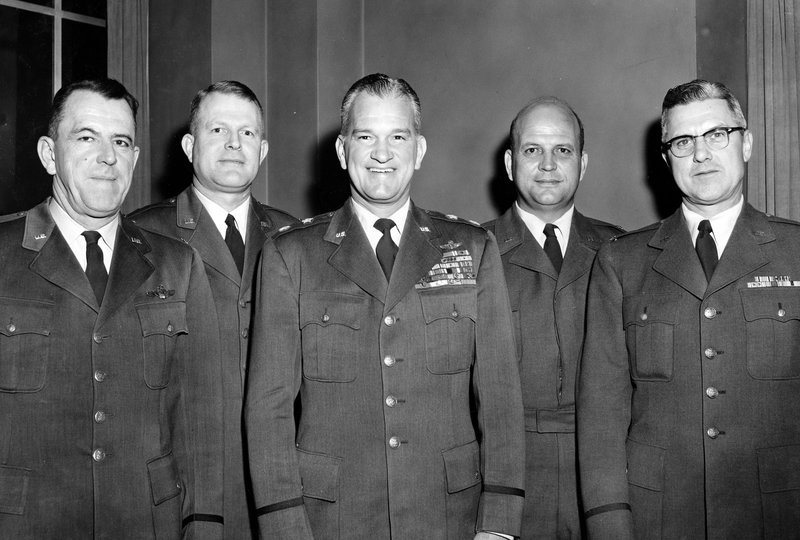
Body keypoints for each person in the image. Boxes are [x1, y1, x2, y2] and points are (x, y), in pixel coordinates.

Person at [244, 73, 525, 540]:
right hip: (331, 521)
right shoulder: (290, 255)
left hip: (449, 518)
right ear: (341, 150)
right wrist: (284, 527)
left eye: (398, 136)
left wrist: (497, 525)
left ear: (419, 150)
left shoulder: (471, 247)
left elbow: (500, 398)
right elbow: (268, 409)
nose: (382, 153)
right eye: (365, 136)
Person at [0, 78, 223, 538]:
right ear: (48, 153)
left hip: (146, 522)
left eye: (121, 141)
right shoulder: (3, 253)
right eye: (86, 138)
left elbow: (199, 421)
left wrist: (203, 528)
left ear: (135, 159)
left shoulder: (177, 264)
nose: (107, 156)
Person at [577, 79, 800, 539]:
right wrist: (610, 526)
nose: (701, 154)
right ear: (666, 160)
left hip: (778, 515)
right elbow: (601, 416)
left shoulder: (795, 250)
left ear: (747, 143)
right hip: (658, 520)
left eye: (716, 134)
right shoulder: (623, 262)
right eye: (683, 142)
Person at [130, 80, 297, 539]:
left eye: (246, 134)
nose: (232, 144)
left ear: (262, 150)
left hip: (276, 482)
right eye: (217, 129)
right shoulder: (143, 236)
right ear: (189, 145)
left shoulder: (293, 237)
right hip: (183, 481)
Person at [484, 97, 622, 540]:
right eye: (532, 150)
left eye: (562, 150)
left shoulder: (622, 252)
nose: (547, 164)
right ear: (509, 163)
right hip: (510, 476)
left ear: (582, 163)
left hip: (604, 473)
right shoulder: (472, 252)